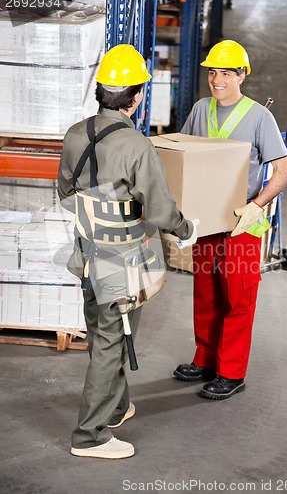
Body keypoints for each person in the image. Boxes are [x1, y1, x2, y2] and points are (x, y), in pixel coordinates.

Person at [57, 44, 198, 459]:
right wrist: (186, 230)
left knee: (104, 333)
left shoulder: (74, 134)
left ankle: (116, 408)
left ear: (100, 91)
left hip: (86, 254)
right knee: (110, 341)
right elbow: (160, 209)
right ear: (136, 98)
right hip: (122, 261)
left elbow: (66, 193)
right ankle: (90, 436)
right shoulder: (138, 146)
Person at [174, 40, 287, 400]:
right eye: (213, 72)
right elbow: (185, 155)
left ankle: (232, 372)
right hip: (207, 223)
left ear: (242, 75)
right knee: (206, 294)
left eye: (226, 72)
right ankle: (205, 360)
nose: (217, 79)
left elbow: (284, 172)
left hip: (243, 226)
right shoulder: (199, 110)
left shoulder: (260, 117)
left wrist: (257, 205)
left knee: (238, 300)